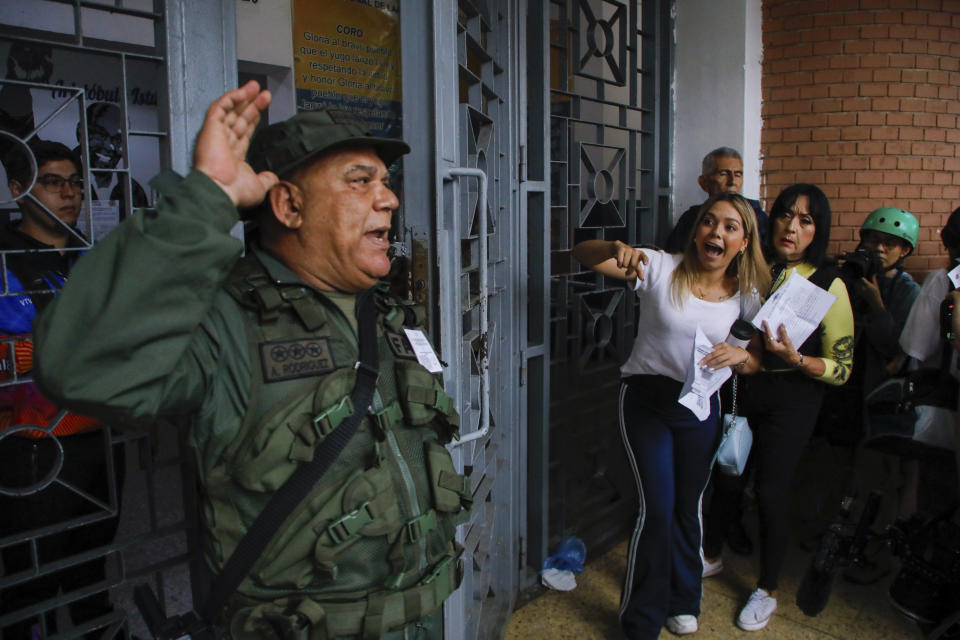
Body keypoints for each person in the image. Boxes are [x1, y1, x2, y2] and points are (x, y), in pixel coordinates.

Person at [33, 82, 469, 639]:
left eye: (386, 183)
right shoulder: (223, 321)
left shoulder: (387, 314)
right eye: (361, 182)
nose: (389, 199)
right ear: (288, 205)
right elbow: (79, 366)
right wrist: (205, 201)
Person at [573, 192, 770, 639]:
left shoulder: (748, 296)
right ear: (697, 229)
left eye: (730, 227)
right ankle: (641, 620)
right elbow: (580, 253)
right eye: (708, 222)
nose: (716, 232)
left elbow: (756, 359)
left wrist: (738, 359)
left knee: (688, 506)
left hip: (701, 407)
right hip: (646, 401)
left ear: (743, 242)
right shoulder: (660, 266)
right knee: (657, 510)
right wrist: (612, 248)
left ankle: (683, 600)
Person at [702, 183, 854, 632]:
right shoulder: (754, 267)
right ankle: (709, 556)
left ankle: (767, 589)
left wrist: (797, 359)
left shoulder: (829, 282)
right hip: (743, 387)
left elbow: (843, 367)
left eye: (805, 220)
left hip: (794, 399)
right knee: (728, 478)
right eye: (786, 214)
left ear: (818, 229)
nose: (792, 225)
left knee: (771, 492)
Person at [0, 139, 123, 638]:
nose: (69, 193)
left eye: (74, 181)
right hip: (33, 445)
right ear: (18, 188)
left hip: (100, 438)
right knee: (32, 580)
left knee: (92, 566)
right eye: (52, 182)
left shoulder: (88, 256)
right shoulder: (6, 260)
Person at [664, 147, 769, 254]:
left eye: (738, 174)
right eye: (723, 174)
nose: (732, 181)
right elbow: (674, 259)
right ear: (703, 183)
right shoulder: (692, 218)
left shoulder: (756, 216)